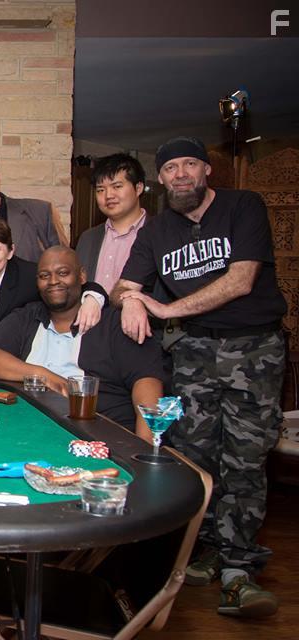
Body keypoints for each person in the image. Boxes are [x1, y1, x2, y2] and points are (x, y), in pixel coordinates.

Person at [112, 136, 286, 617]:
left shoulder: (242, 206)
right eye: (171, 168)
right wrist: (129, 299)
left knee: (246, 459)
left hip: (253, 349)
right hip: (191, 352)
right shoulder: (157, 230)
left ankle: (240, 568)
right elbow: (126, 283)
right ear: (161, 179)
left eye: (190, 164)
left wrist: (166, 308)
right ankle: (207, 549)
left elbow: (241, 278)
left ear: (207, 170)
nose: (181, 174)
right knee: (193, 454)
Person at [0, 247, 162, 436]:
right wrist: (46, 376)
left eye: (63, 273)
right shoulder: (26, 316)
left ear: (82, 276)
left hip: (97, 433)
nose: (53, 281)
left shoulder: (113, 322)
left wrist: (143, 450)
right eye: (44, 276)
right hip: (29, 429)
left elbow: (147, 382)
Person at [0, 218, 104, 367]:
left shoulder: (29, 277)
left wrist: (93, 298)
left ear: (10, 251)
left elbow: (74, 284)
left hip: (8, 364)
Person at [75, 153, 148, 292]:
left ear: (138, 188)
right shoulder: (87, 238)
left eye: (117, 186)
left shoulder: (161, 233)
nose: (108, 195)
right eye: (101, 190)